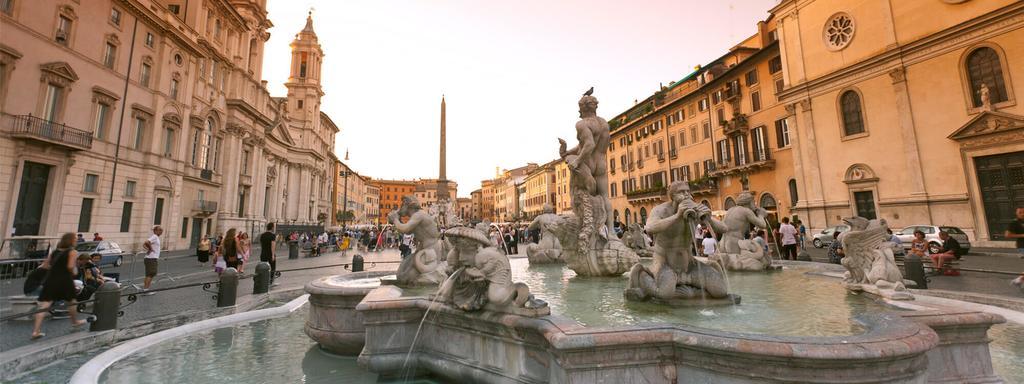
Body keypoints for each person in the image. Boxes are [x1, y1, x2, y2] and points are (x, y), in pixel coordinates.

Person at [32, 233, 87, 339]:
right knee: (72, 301)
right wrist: (75, 271)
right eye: (75, 239)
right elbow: (70, 267)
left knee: (44, 305)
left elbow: (45, 265)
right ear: (70, 240)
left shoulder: (54, 252)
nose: (76, 240)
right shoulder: (72, 252)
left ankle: (35, 331)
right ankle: (75, 322)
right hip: (64, 280)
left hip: (51, 280)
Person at [141, 226, 163, 295]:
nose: (161, 232)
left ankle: (145, 289)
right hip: (151, 258)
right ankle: (145, 290)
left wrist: (148, 249)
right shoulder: (155, 237)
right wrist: (150, 249)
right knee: (150, 274)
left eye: (162, 230)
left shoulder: (155, 237)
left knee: (149, 274)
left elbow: (144, 244)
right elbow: (146, 242)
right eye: (160, 230)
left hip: (151, 258)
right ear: (155, 231)